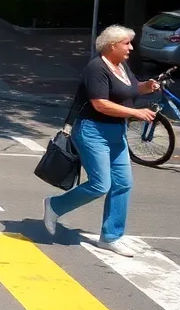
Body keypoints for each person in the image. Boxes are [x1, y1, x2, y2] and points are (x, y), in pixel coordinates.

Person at [43, 25, 159, 257]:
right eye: (126, 43)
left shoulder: (121, 66)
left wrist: (146, 87)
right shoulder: (96, 68)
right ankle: (54, 206)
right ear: (111, 45)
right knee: (100, 184)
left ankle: (110, 237)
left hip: (116, 133)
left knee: (123, 183)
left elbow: (130, 89)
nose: (131, 47)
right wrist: (136, 113)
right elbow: (100, 104)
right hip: (92, 131)